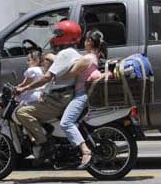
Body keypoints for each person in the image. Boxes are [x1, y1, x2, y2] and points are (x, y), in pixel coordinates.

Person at [15, 20, 82, 164]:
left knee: (22, 112)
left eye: (58, 33)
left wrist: (25, 88)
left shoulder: (65, 54)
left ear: (66, 36)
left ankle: (45, 144)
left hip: (58, 99)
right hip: (61, 95)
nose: (54, 37)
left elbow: (46, 77)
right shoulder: (73, 52)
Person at [59, 29, 107, 169]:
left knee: (66, 123)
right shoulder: (94, 57)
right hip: (84, 95)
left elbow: (70, 73)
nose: (83, 42)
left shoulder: (87, 59)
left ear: (90, 42)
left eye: (85, 40)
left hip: (82, 96)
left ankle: (85, 151)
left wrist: (53, 74)